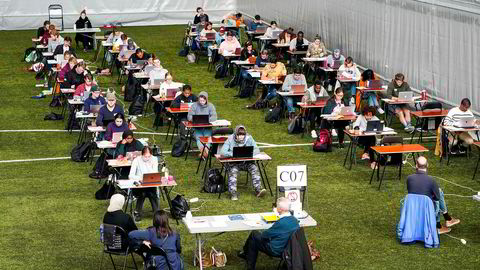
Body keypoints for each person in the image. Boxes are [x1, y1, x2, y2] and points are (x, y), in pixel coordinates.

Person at [238, 197, 299, 270]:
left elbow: (265, 235)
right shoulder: (295, 220)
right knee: (254, 235)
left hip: (276, 249)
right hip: (289, 249)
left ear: (280, 209)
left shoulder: (281, 223)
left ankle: (249, 265)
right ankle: (245, 253)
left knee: (254, 235)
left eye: (276, 206)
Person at [406, 156, 460, 234]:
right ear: (427, 165)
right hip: (428, 211)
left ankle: (446, 220)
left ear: (416, 165)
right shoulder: (431, 180)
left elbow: (410, 192)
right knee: (437, 197)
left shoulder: (409, 178)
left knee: (437, 193)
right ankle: (441, 223)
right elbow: (437, 198)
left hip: (412, 209)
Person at [220, 125, 267, 200]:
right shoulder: (230, 139)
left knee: (254, 168)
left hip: (247, 163)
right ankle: (233, 193)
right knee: (233, 171)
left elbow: (257, 149)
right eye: (239, 135)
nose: (241, 136)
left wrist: (249, 154)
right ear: (236, 134)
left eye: (243, 134)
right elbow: (222, 151)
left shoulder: (249, 138)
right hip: (234, 164)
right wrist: (234, 154)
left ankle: (258, 190)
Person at [129, 146, 160, 222]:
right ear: (142, 154)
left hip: (150, 184)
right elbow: (131, 175)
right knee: (142, 193)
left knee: (152, 193)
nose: (147, 158)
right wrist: (140, 178)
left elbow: (155, 172)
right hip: (140, 185)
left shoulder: (154, 159)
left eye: (149, 156)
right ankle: (138, 213)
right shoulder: (136, 160)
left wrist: (149, 167)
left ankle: (157, 214)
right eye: (145, 156)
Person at [187, 91, 217, 158]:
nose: (201, 102)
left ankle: (204, 153)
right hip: (197, 128)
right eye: (200, 100)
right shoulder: (194, 105)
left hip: (207, 127)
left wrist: (206, 120)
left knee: (207, 138)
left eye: (203, 100)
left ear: (206, 100)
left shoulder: (211, 106)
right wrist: (196, 119)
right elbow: (189, 116)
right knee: (199, 138)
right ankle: (204, 152)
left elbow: (214, 117)